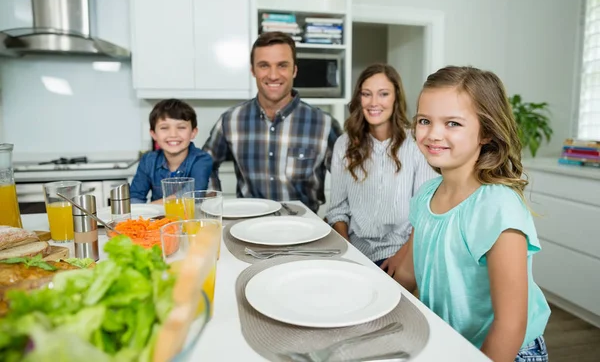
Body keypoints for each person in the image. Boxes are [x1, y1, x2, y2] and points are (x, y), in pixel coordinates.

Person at [392, 66, 550, 362]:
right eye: (424, 120)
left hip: (507, 352)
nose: (433, 134)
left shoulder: (498, 208)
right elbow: (407, 273)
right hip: (451, 342)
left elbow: (510, 325)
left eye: (452, 123)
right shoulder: (427, 195)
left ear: (486, 133)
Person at [202, 31, 342, 213]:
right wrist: (214, 206)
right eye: (264, 66)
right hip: (247, 229)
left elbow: (349, 182)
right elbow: (204, 164)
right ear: (253, 70)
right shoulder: (231, 120)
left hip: (304, 230)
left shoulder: (324, 124)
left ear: (295, 70)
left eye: (282, 65)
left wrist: (334, 219)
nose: (273, 75)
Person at [325, 63, 437, 268]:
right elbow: (337, 211)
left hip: (402, 254)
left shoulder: (416, 143)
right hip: (354, 251)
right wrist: (349, 254)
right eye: (366, 94)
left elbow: (424, 214)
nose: (373, 102)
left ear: (396, 98)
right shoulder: (344, 144)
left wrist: (403, 261)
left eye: (383, 94)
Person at [130, 99, 213, 204]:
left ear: (193, 132)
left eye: (181, 127)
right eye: (164, 128)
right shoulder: (148, 160)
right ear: (153, 134)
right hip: (159, 219)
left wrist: (149, 207)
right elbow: (135, 197)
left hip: (191, 219)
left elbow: (192, 194)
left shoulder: (202, 159)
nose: (173, 134)